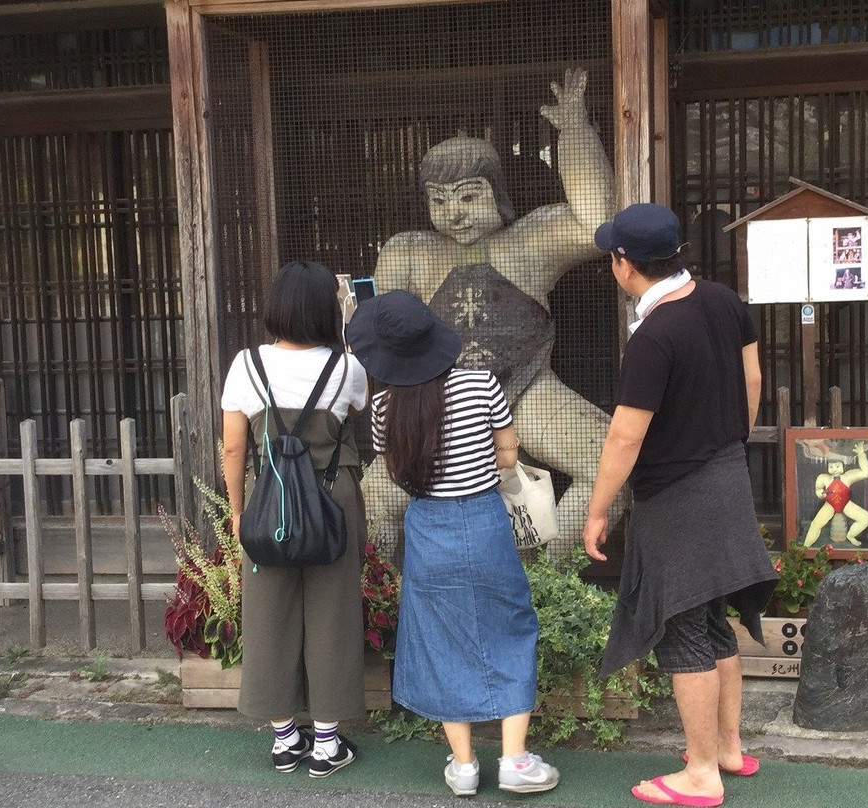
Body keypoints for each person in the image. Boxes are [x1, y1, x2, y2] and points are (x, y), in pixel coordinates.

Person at [369, 67, 619, 558]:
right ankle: (388, 604)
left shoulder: (530, 239)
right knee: (375, 494)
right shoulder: (409, 251)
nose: (454, 214)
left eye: (469, 195)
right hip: (438, 398)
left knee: (613, 462)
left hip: (527, 389)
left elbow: (598, 223)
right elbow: (383, 335)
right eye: (439, 201)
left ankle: (550, 584)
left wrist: (574, 131)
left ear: (497, 191)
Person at [582, 204, 777, 807]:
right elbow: (752, 383)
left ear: (623, 264)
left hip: (677, 495)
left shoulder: (653, 335)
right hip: (727, 477)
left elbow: (625, 436)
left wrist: (597, 511)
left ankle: (700, 772)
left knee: (682, 628)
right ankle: (726, 747)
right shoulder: (723, 301)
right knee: (712, 619)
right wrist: (727, 443)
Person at [346, 290, 560, 797]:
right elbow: (508, 456)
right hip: (484, 519)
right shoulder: (481, 382)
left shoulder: (382, 406)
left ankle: (464, 767)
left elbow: (397, 472)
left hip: (427, 528)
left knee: (438, 636)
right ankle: (514, 759)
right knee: (510, 625)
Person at [220, 261, 368, 777]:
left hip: (271, 499)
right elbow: (352, 424)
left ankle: (285, 738)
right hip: (334, 497)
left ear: (276, 306)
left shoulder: (245, 365)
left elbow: (235, 447)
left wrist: (237, 512)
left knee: (268, 610)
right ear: (326, 308)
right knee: (334, 609)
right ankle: (327, 743)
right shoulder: (348, 369)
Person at [802, 441, 868, 547]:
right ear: (827, 468)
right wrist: (821, 494)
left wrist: (861, 454)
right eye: (831, 467)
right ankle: (805, 547)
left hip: (846, 504)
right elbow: (818, 489)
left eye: (837, 466)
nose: (834, 469)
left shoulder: (848, 477)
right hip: (830, 505)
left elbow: (866, 473)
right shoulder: (824, 478)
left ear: (843, 466)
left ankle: (851, 535)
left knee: (866, 518)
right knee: (815, 524)